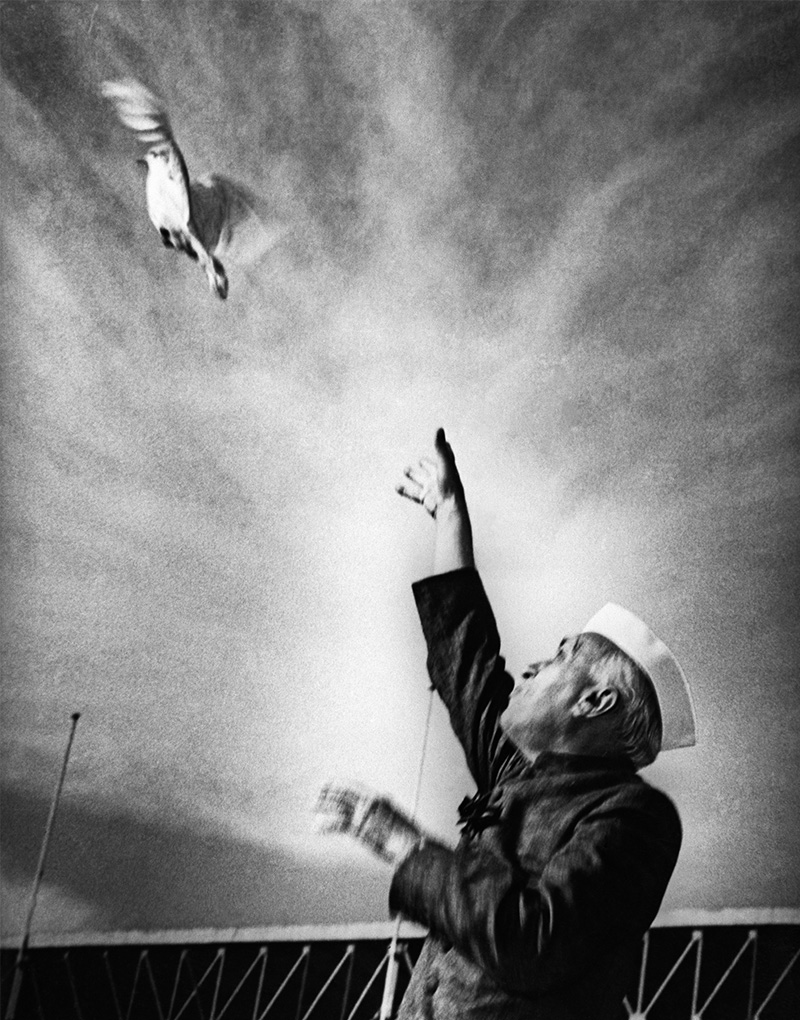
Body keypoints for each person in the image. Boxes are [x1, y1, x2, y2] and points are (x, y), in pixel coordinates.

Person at [317, 428, 697, 1019]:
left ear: (595, 702)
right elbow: (464, 656)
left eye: (565, 654)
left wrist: (404, 844)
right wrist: (448, 516)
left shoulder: (635, 818)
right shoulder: (515, 773)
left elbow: (532, 944)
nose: (536, 663)